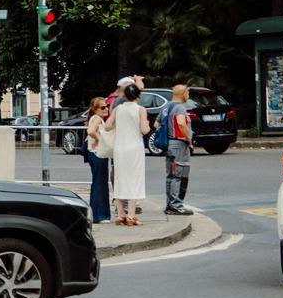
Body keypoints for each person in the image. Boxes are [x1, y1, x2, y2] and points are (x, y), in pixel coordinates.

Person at [106, 81, 152, 228]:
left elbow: (107, 126)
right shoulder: (141, 109)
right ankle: (131, 215)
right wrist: (148, 125)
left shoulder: (118, 109)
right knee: (135, 179)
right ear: (138, 95)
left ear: (124, 95)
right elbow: (144, 130)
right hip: (135, 148)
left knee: (119, 178)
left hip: (120, 147)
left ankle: (120, 214)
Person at [163, 82, 197, 215]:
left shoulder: (166, 107)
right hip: (179, 144)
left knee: (171, 175)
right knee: (179, 175)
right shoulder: (180, 108)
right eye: (188, 92)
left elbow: (157, 123)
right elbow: (181, 123)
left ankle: (169, 204)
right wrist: (189, 138)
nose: (188, 95)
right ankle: (176, 205)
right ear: (183, 94)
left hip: (170, 144)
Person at [79, 95, 114, 224]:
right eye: (102, 107)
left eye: (107, 106)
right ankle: (100, 215)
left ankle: (98, 214)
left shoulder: (96, 118)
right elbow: (90, 131)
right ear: (95, 109)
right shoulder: (97, 118)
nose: (106, 109)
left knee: (99, 182)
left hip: (96, 154)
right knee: (100, 183)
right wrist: (100, 140)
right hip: (97, 154)